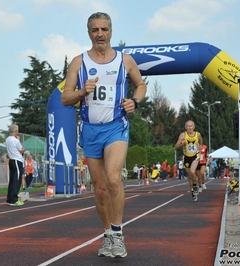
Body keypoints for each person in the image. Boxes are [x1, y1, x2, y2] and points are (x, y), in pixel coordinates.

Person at [61, 12, 147, 258]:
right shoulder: (79, 62)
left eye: (105, 29)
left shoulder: (124, 60)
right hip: (90, 129)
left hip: (116, 126)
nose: (100, 34)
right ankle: (108, 234)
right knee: (99, 189)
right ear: (89, 32)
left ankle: (119, 236)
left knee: (112, 178)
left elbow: (140, 85)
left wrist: (135, 101)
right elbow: (65, 97)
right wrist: (81, 92)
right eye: (95, 30)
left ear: (111, 31)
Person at [174, 120, 203, 201]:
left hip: (195, 156)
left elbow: (201, 142)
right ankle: (193, 192)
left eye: (191, 126)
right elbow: (176, 147)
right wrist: (181, 144)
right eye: (188, 126)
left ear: (193, 127)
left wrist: (200, 146)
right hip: (186, 157)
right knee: (190, 176)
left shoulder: (198, 134)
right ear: (185, 127)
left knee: (193, 171)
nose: (189, 127)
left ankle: (195, 186)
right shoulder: (183, 135)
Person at [5, 124, 26, 206]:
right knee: (16, 181)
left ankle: (9, 198)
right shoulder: (15, 140)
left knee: (12, 180)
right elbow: (21, 150)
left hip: (11, 160)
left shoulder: (7, 139)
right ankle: (14, 199)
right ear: (16, 131)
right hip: (17, 161)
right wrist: (22, 145)